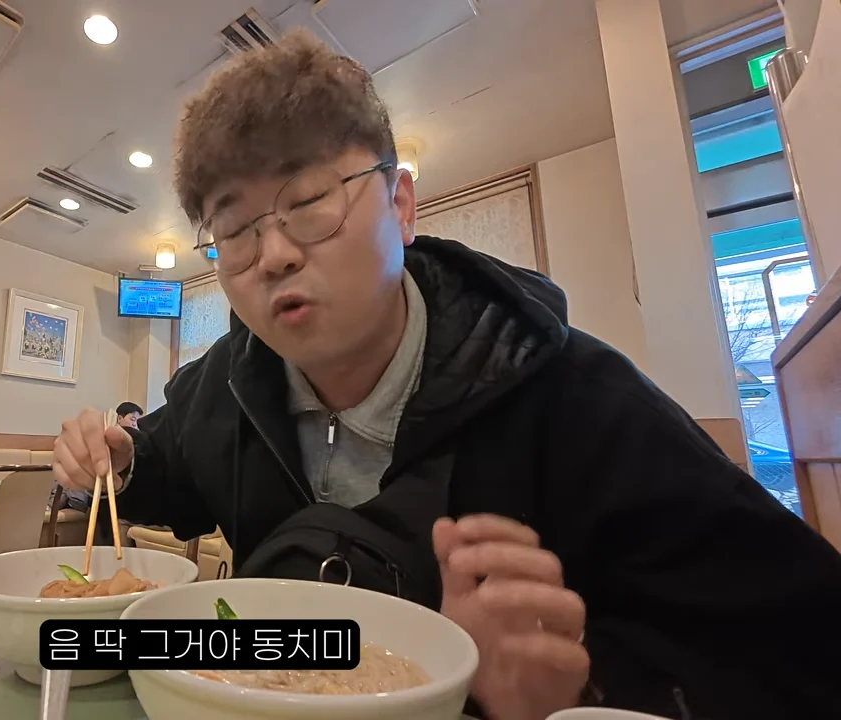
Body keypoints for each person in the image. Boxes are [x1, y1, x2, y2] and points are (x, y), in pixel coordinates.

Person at [53, 30, 841, 720]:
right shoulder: (224, 384)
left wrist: (579, 687)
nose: (275, 254)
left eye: (310, 201)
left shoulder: (565, 390)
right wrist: (117, 462)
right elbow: (165, 469)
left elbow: (796, 642)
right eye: (234, 229)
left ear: (401, 205)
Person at [59, 401, 146, 545]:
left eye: (137, 420)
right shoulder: (107, 436)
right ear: (119, 418)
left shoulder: (140, 439)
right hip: (106, 496)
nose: (135, 423)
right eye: (132, 419)